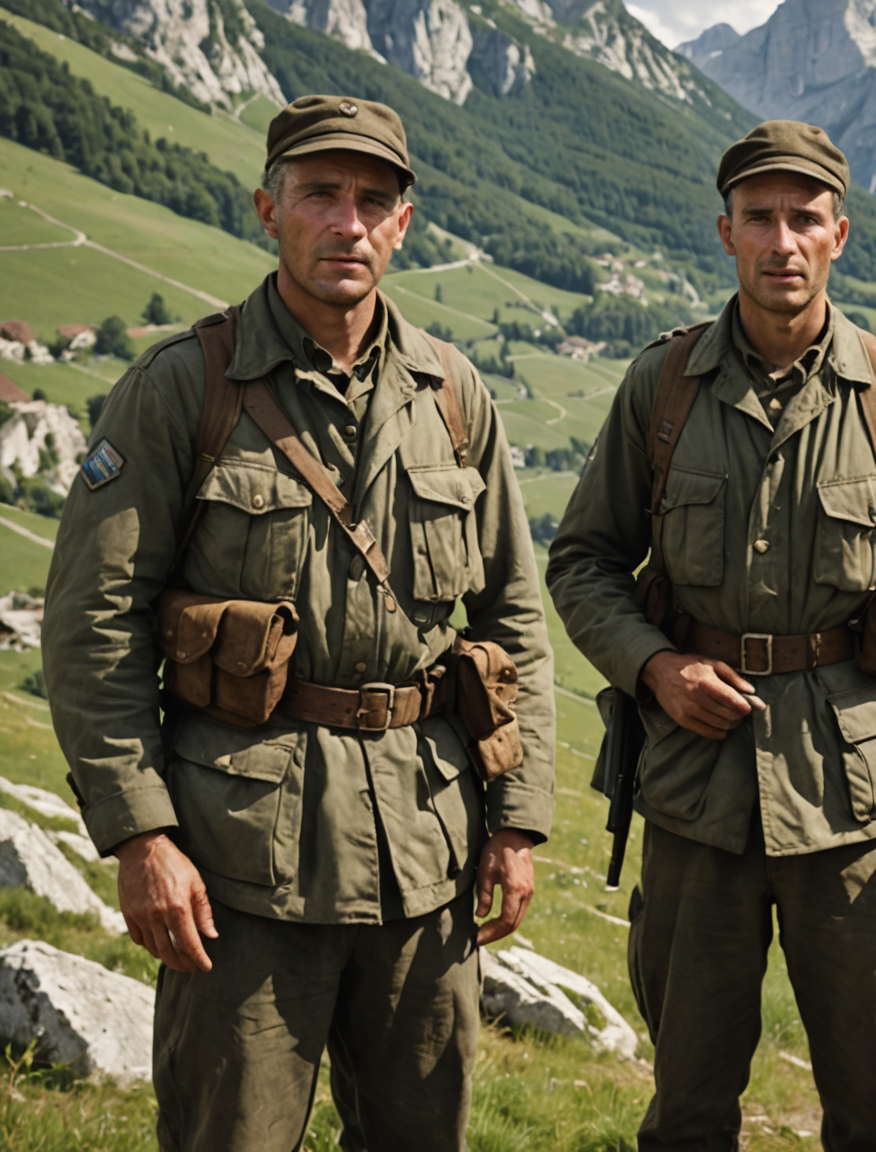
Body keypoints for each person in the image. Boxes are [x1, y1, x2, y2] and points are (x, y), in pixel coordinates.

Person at [44, 94, 555, 1150]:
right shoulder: (187, 387)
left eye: (374, 200)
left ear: (403, 226)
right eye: (321, 193)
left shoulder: (454, 397)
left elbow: (514, 614)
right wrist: (141, 835)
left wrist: (517, 818)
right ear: (268, 209)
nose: (348, 222)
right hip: (240, 870)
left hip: (424, 858)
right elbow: (94, 626)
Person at [544, 120, 876, 1152]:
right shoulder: (661, 390)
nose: (782, 241)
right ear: (725, 231)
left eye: (805, 219)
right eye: (761, 218)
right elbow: (582, 562)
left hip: (858, 807)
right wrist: (655, 668)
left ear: (841, 234)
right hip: (697, 794)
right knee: (690, 1105)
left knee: (875, 1109)